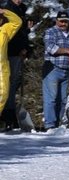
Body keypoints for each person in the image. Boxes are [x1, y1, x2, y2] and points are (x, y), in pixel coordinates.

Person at [42, 11, 69, 130]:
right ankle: (50, 125)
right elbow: (51, 48)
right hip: (52, 69)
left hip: (66, 70)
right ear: (57, 20)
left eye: (66, 21)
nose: (64, 23)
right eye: (61, 21)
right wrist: (68, 51)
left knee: (63, 100)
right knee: (51, 98)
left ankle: (57, 124)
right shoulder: (50, 32)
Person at [0, 0, 32, 131]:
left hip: (5, 65)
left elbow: (18, 24)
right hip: (10, 55)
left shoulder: (4, 31)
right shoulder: (9, 6)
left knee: (5, 93)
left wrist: (4, 12)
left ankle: (7, 117)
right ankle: (7, 117)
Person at [0, 9, 22, 117]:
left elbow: (17, 22)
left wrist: (4, 11)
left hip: (2, 68)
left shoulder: (4, 30)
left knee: (3, 95)